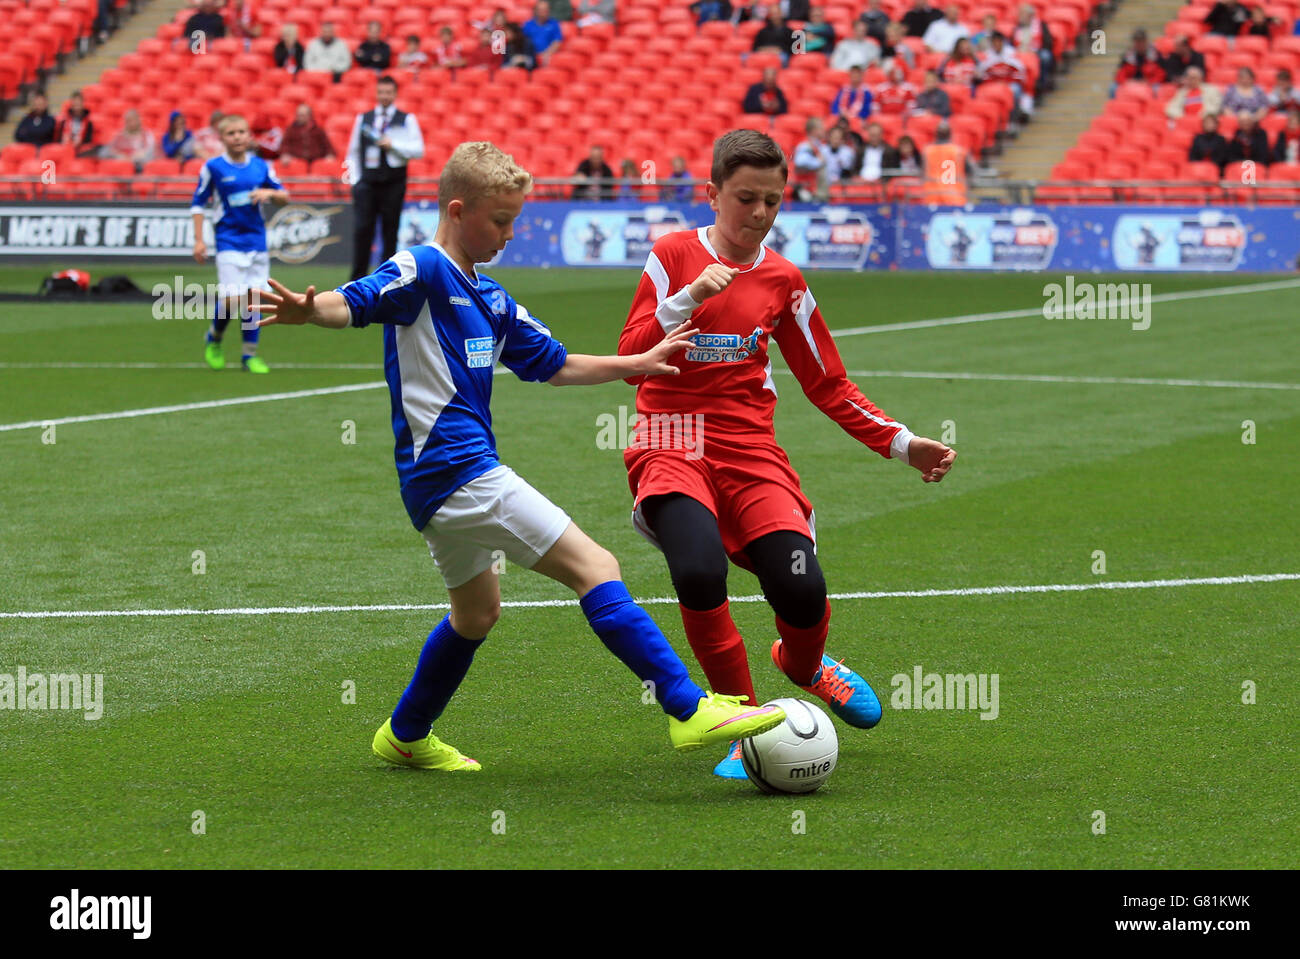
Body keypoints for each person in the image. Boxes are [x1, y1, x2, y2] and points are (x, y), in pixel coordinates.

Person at [254, 141, 786, 773]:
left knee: (476, 613)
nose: (510, 234)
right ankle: (687, 707)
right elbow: (357, 300)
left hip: (441, 481)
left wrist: (637, 363)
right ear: (457, 210)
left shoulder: (492, 298)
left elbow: (555, 364)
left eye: (515, 221)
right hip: (457, 471)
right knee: (596, 565)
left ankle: (404, 735)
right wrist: (310, 310)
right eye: (499, 221)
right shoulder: (421, 268)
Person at [615, 128, 956, 778]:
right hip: (670, 440)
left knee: (801, 588)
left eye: (773, 200)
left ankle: (803, 665)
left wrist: (903, 443)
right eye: (747, 198)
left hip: (749, 451)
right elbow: (633, 361)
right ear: (712, 193)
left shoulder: (783, 280)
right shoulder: (671, 256)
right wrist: (690, 298)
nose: (761, 214)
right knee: (698, 569)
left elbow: (827, 381)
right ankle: (743, 722)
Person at [191, 113, 289, 374]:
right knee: (233, 300)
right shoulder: (213, 167)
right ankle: (214, 337)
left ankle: (249, 356)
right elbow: (198, 203)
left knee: (254, 299)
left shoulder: (261, 166)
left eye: (241, 132)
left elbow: (284, 197)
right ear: (222, 138)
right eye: (231, 133)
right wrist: (199, 240)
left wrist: (270, 193)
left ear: (249, 136)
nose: (237, 137)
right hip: (228, 241)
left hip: (256, 241)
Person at [346, 75, 425, 280]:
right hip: (367, 183)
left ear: (395, 94)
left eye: (388, 92)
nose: (384, 96)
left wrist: (394, 145)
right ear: (376, 93)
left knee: (390, 232)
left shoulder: (406, 119)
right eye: (381, 92)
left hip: (394, 182)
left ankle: (387, 279)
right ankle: (357, 279)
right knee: (362, 230)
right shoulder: (363, 119)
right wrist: (355, 180)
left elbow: (418, 150)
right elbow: (353, 152)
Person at [792, 116, 832, 200]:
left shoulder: (821, 146)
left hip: (819, 190)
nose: (824, 130)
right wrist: (819, 162)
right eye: (821, 128)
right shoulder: (805, 146)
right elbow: (799, 162)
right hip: (806, 191)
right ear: (814, 131)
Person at [56, 91, 97, 157]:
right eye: (75, 105)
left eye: (78, 105)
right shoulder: (64, 122)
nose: (77, 108)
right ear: (71, 106)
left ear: (82, 105)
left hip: (81, 152)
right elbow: (59, 140)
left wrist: (80, 142)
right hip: (65, 149)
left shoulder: (89, 123)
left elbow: (89, 141)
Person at [523, 1, 563, 66]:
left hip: (548, 56)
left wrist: (547, 54)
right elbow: (523, 42)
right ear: (535, 11)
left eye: (545, 10)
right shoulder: (528, 25)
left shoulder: (554, 24)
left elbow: (557, 42)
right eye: (540, 10)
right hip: (531, 56)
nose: (543, 12)